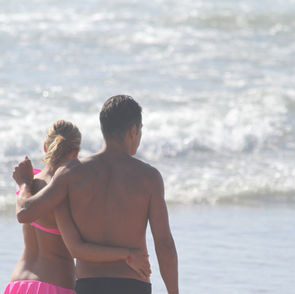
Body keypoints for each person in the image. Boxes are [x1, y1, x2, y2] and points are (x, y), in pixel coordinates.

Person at [14, 95, 179, 294]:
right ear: (134, 131)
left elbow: (25, 212)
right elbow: (164, 245)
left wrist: (24, 183)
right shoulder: (149, 178)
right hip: (133, 284)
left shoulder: (72, 172)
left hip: (89, 285)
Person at [7, 119, 150, 294]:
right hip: (55, 286)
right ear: (76, 153)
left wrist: (23, 183)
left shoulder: (29, 184)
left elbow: (22, 211)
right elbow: (78, 248)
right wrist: (127, 254)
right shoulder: (62, 191)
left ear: (45, 147)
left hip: (18, 284)